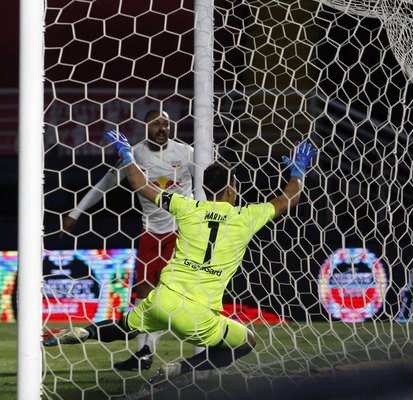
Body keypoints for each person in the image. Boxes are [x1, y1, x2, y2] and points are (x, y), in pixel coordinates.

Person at [44, 130, 317, 386]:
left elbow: (139, 184)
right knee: (246, 341)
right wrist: (298, 169)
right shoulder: (245, 217)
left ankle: (85, 333)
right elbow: (288, 199)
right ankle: (181, 369)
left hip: (164, 299)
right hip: (198, 313)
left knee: (125, 326)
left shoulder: (186, 207)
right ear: (231, 191)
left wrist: (127, 155)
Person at [61, 109, 206, 371]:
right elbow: (105, 184)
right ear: (144, 127)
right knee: (142, 292)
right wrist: (75, 213)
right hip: (150, 233)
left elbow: (208, 180)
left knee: (180, 294)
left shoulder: (186, 153)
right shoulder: (136, 154)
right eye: (155, 124)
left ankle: (203, 348)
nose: (161, 128)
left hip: (183, 232)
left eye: (166, 123)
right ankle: (144, 352)